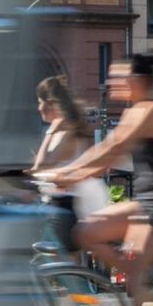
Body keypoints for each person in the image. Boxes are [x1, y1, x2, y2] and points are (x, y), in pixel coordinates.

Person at [41, 54, 153, 306]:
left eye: (117, 77)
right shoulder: (132, 111)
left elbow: (113, 148)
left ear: (138, 80)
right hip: (144, 203)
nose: (110, 82)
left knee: (137, 283)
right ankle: (140, 280)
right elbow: (105, 154)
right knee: (86, 232)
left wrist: (71, 174)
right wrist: (69, 172)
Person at [26, 76, 108, 254]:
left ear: (50, 104)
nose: (38, 107)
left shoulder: (67, 133)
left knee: (64, 263)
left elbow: (40, 166)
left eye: (40, 102)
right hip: (55, 203)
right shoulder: (61, 131)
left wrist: (50, 131)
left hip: (66, 205)